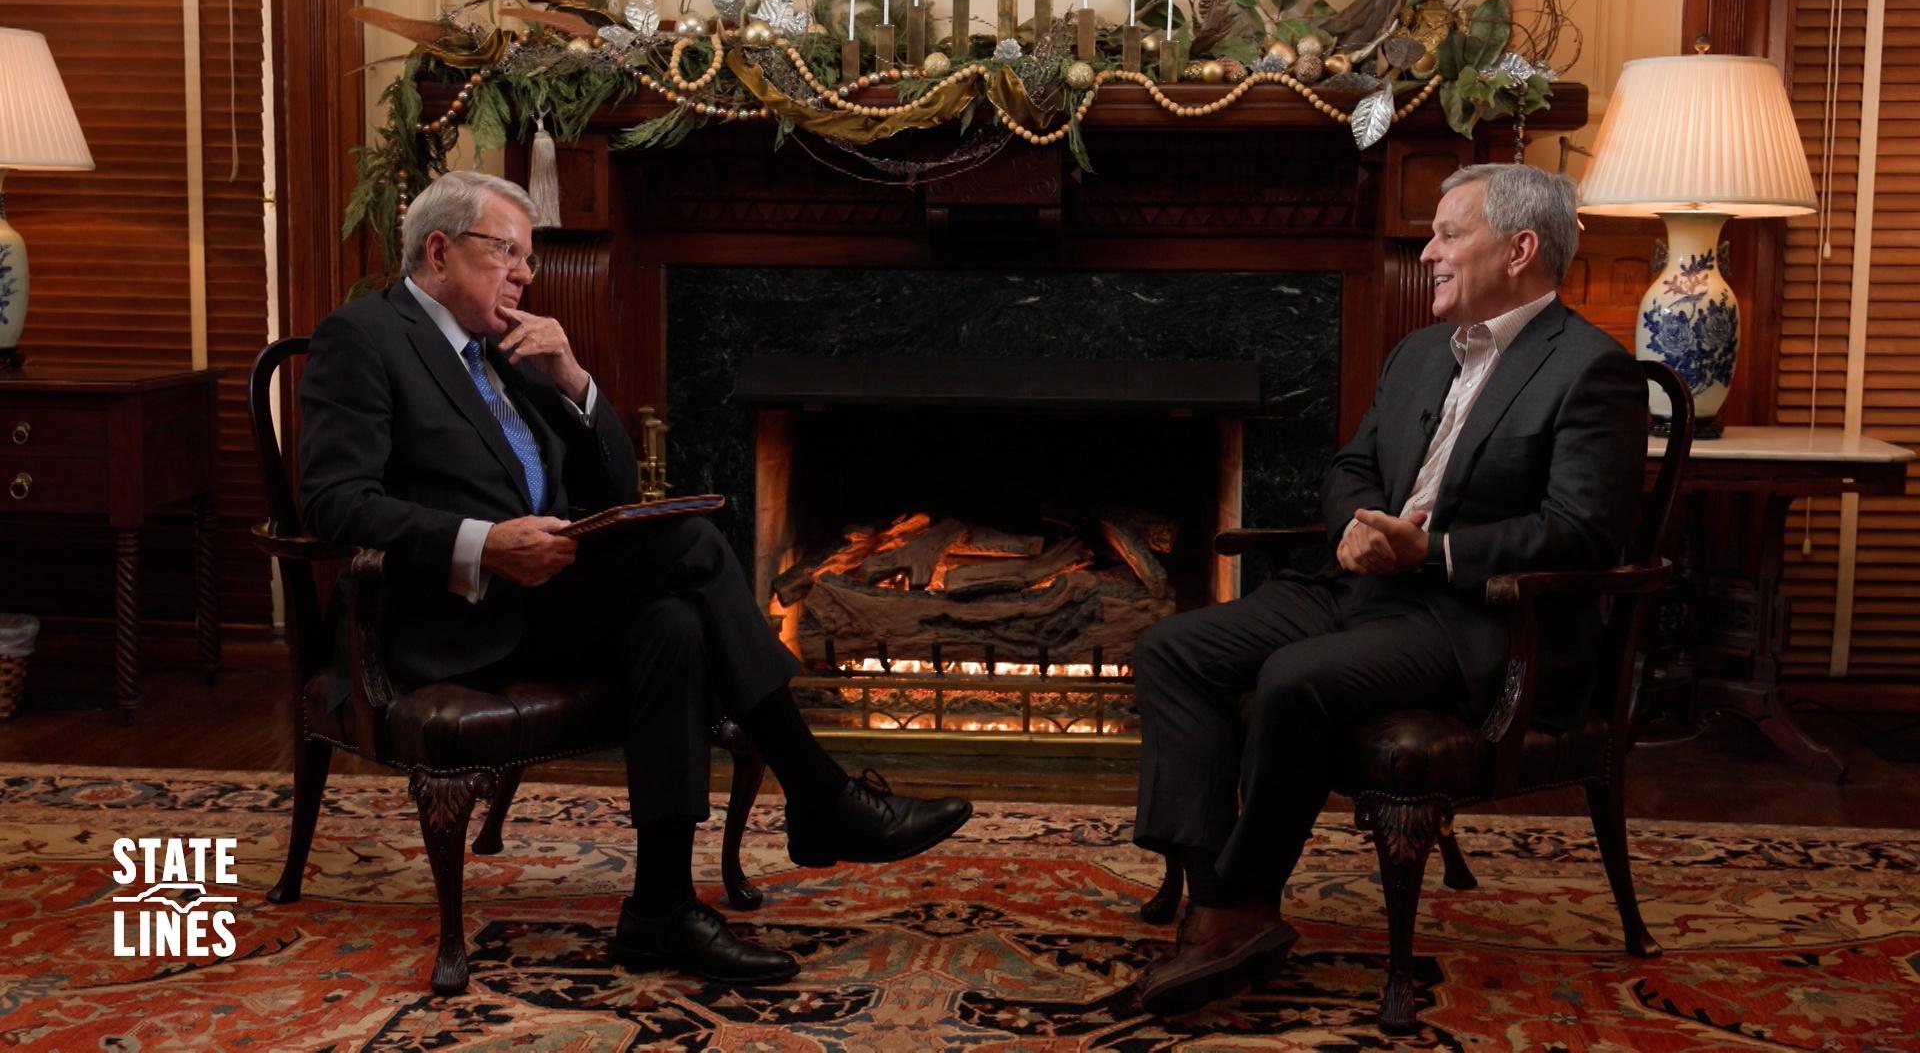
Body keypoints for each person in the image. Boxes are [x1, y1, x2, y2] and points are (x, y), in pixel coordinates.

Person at [297, 170, 972, 987]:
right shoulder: (364, 336)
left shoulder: (507, 349)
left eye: (530, 259)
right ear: (438, 250)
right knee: (687, 546)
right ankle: (818, 793)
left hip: (545, 596)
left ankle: (659, 908)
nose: (523, 274)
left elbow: (614, 488)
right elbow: (334, 503)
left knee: (675, 625)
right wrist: (483, 542)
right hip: (447, 615)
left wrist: (574, 380)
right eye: (506, 252)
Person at [1128, 163, 1648, 1016]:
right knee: (1174, 648)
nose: (1429, 251)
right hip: (1363, 584)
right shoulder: (1417, 353)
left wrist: (1431, 551)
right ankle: (1216, 886)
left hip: (1478, 619)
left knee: (1294, 677)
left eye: (1450, 233)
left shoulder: (1591, 369)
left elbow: (1583, 530)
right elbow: (1354, 465)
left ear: (1520, 249)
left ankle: (1236, 908)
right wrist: (1358, 529)